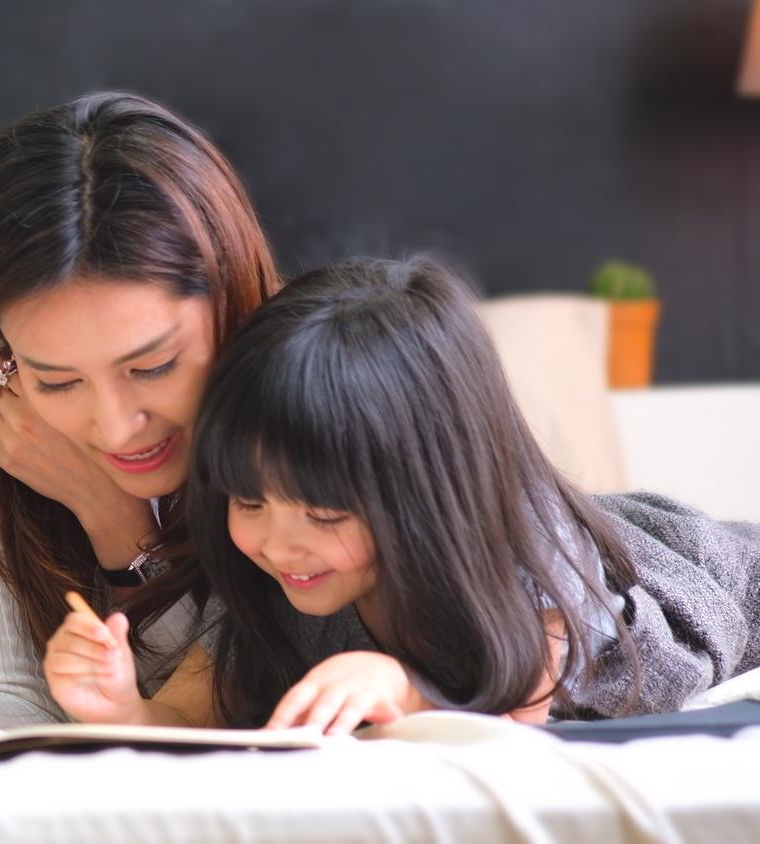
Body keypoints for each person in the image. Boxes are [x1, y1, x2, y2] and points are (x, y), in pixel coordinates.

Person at [45, 255, 760, 732]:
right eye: (247, 501)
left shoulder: (527, 558)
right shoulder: (287, 584)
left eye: (324, 513)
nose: (277, 543)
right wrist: (122, 708)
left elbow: (523, 720)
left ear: (427, 493)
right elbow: (211, 716)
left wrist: (404, 690)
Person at [0, 91, 285, 726]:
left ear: (232, 302)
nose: (118, 427)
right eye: (59, 381)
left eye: (152, 367)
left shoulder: (299, 377)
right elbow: (10, 710)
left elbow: (222, 685)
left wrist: (111, 514)